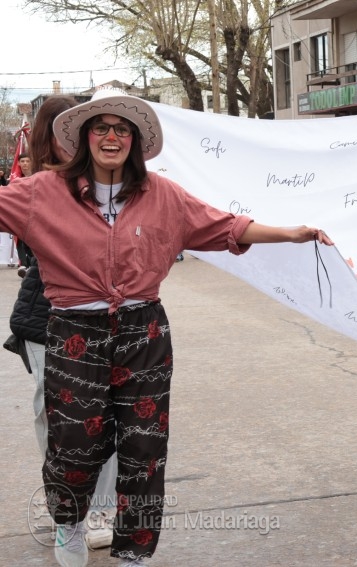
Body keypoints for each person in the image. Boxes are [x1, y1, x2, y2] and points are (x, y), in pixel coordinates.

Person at [0, 87, 333, 566]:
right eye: (101, 128)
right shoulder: (42, 193)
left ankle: (134, 550)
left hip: (143, 331)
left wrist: (290, 232)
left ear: (134, 141)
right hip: (76, 330)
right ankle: (69, 524)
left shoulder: (163, 195)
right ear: (85, 137)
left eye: (122, 129)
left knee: (144, 445)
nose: (111, 137)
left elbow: (226, 227)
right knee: (73, 442)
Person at [4, 95, 120, 549]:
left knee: (105, 413)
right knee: (53, 416)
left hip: (103, 315)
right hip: (45, 315)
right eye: (65, 129)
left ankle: (101, 509)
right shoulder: (33, 188)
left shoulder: (108, 183)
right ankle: (69, 509)